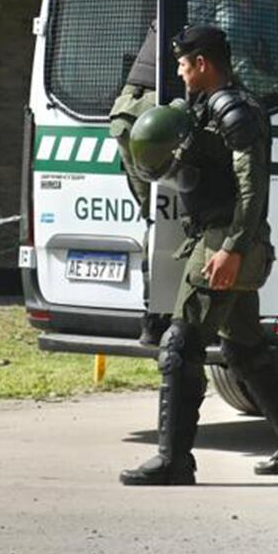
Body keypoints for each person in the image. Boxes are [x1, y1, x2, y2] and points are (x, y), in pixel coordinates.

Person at [119, 24, 278, 486]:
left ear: (203, 64)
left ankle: (175, 461)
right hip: (217, 239)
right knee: (245, 348)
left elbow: (252, 190)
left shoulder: (235, 112)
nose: (178, 71)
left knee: (180, 346)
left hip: (226, 242)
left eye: (182, 63)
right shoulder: (205, 108)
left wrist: (232, 249)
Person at [107, 21, 169, 346]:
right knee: (173, 216)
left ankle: (151, 318)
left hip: (126, 111)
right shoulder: (227, 6)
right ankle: (160, 316)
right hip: (155, 116)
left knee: (155, 217)